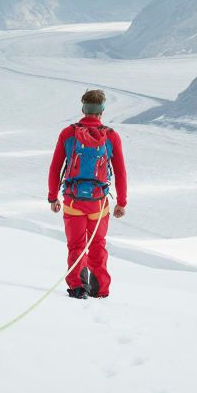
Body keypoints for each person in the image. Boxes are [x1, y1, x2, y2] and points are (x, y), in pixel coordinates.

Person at [47, 88, 128, 299]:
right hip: (98, 204)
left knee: (76, 246)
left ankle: (77, 288)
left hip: (73, 202)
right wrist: (122, 202)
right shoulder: (110, 136)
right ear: (101, 111)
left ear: (83, 108)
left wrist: (52, 196)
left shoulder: (68, 133)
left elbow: (55, 168)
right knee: (98, 246)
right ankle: (100, 290)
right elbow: (120, 172)